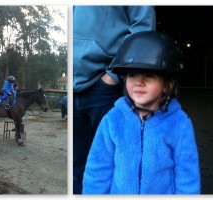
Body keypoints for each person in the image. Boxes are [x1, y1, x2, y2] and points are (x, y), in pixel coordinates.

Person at [82, 31, 199, 194]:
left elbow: (187, 174)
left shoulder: (179, 123)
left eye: (149, 75)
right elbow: (98, 168)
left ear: (168, 85)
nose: (138, 82)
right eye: (132, 75)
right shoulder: (113, 120)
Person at [72, 6, 156, 194]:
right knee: (76, 169)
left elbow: (143, 26)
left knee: (117, 167)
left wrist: (114, 76)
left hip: (107, 86)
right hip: (74, 86)